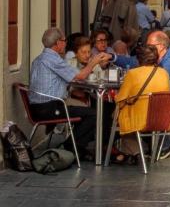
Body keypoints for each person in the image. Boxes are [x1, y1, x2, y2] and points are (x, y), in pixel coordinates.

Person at [29, 27, 113, 160]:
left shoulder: (39, 59)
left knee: (88, 112)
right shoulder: (53, 60)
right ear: (58, 43)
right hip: (50, 108)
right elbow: (80, 76)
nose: (66, 43)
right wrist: (93, 62)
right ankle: (70, 146)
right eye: (64, 41)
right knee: (95, 114)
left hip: (37, 107)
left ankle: (77, 148)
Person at [113, 44, 170, 163]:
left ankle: (136, 153)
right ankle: (127, 154)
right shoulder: (164, 73)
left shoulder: (133, 74)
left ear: (138, 59)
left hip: (139, 118)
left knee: (115, 118)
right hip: (160, 118)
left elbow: (120, 99)